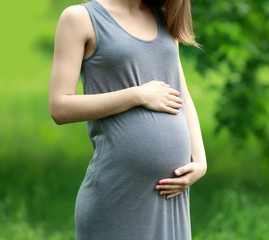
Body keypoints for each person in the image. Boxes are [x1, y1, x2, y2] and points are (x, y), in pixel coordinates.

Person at [49, 0, 207, 239]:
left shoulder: (163, 16)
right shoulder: (79, 18)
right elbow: (60, 107)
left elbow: (181, 92)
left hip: (171, 193)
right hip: (118, 193)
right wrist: (137, 95)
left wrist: (200, 159)